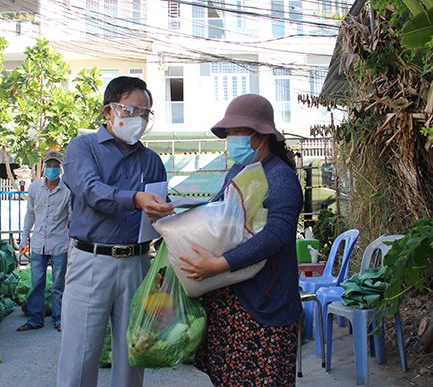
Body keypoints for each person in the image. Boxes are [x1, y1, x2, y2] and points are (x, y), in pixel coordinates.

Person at [178, 94, 303, 386]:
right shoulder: (238, 171)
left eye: (237, 132)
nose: (231, 138)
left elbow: (277, 235)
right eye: (229, 133)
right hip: (230, 300)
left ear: (262, 135)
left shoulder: (281, 178)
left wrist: (221, 265)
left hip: (265, 303)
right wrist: (175, 214)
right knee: (228, 378)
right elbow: (217, 213)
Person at [57, 76, 174, 387]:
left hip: (138, 263)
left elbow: (158, 213)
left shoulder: (151, 160)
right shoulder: (82, 148)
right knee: (79, 357)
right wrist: (136, 199)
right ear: (108, 111)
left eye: (146, 113)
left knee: (132, 356)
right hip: (91, 261)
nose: (139, 119)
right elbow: (91, 191)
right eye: (132, 110)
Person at [17, 150, 72, 333]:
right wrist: (24, 238)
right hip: (39, 243)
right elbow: (30, 214)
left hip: (60, 244)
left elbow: (72, 218)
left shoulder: (67, 190)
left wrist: (73, 244)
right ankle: (35, 319)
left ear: (60, 168)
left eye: (55, 166)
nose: (52, 169)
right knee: (36, 282)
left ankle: (59, 319)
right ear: (44, 168)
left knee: (58, 285)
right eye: (49, 165)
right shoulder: (34, 188)